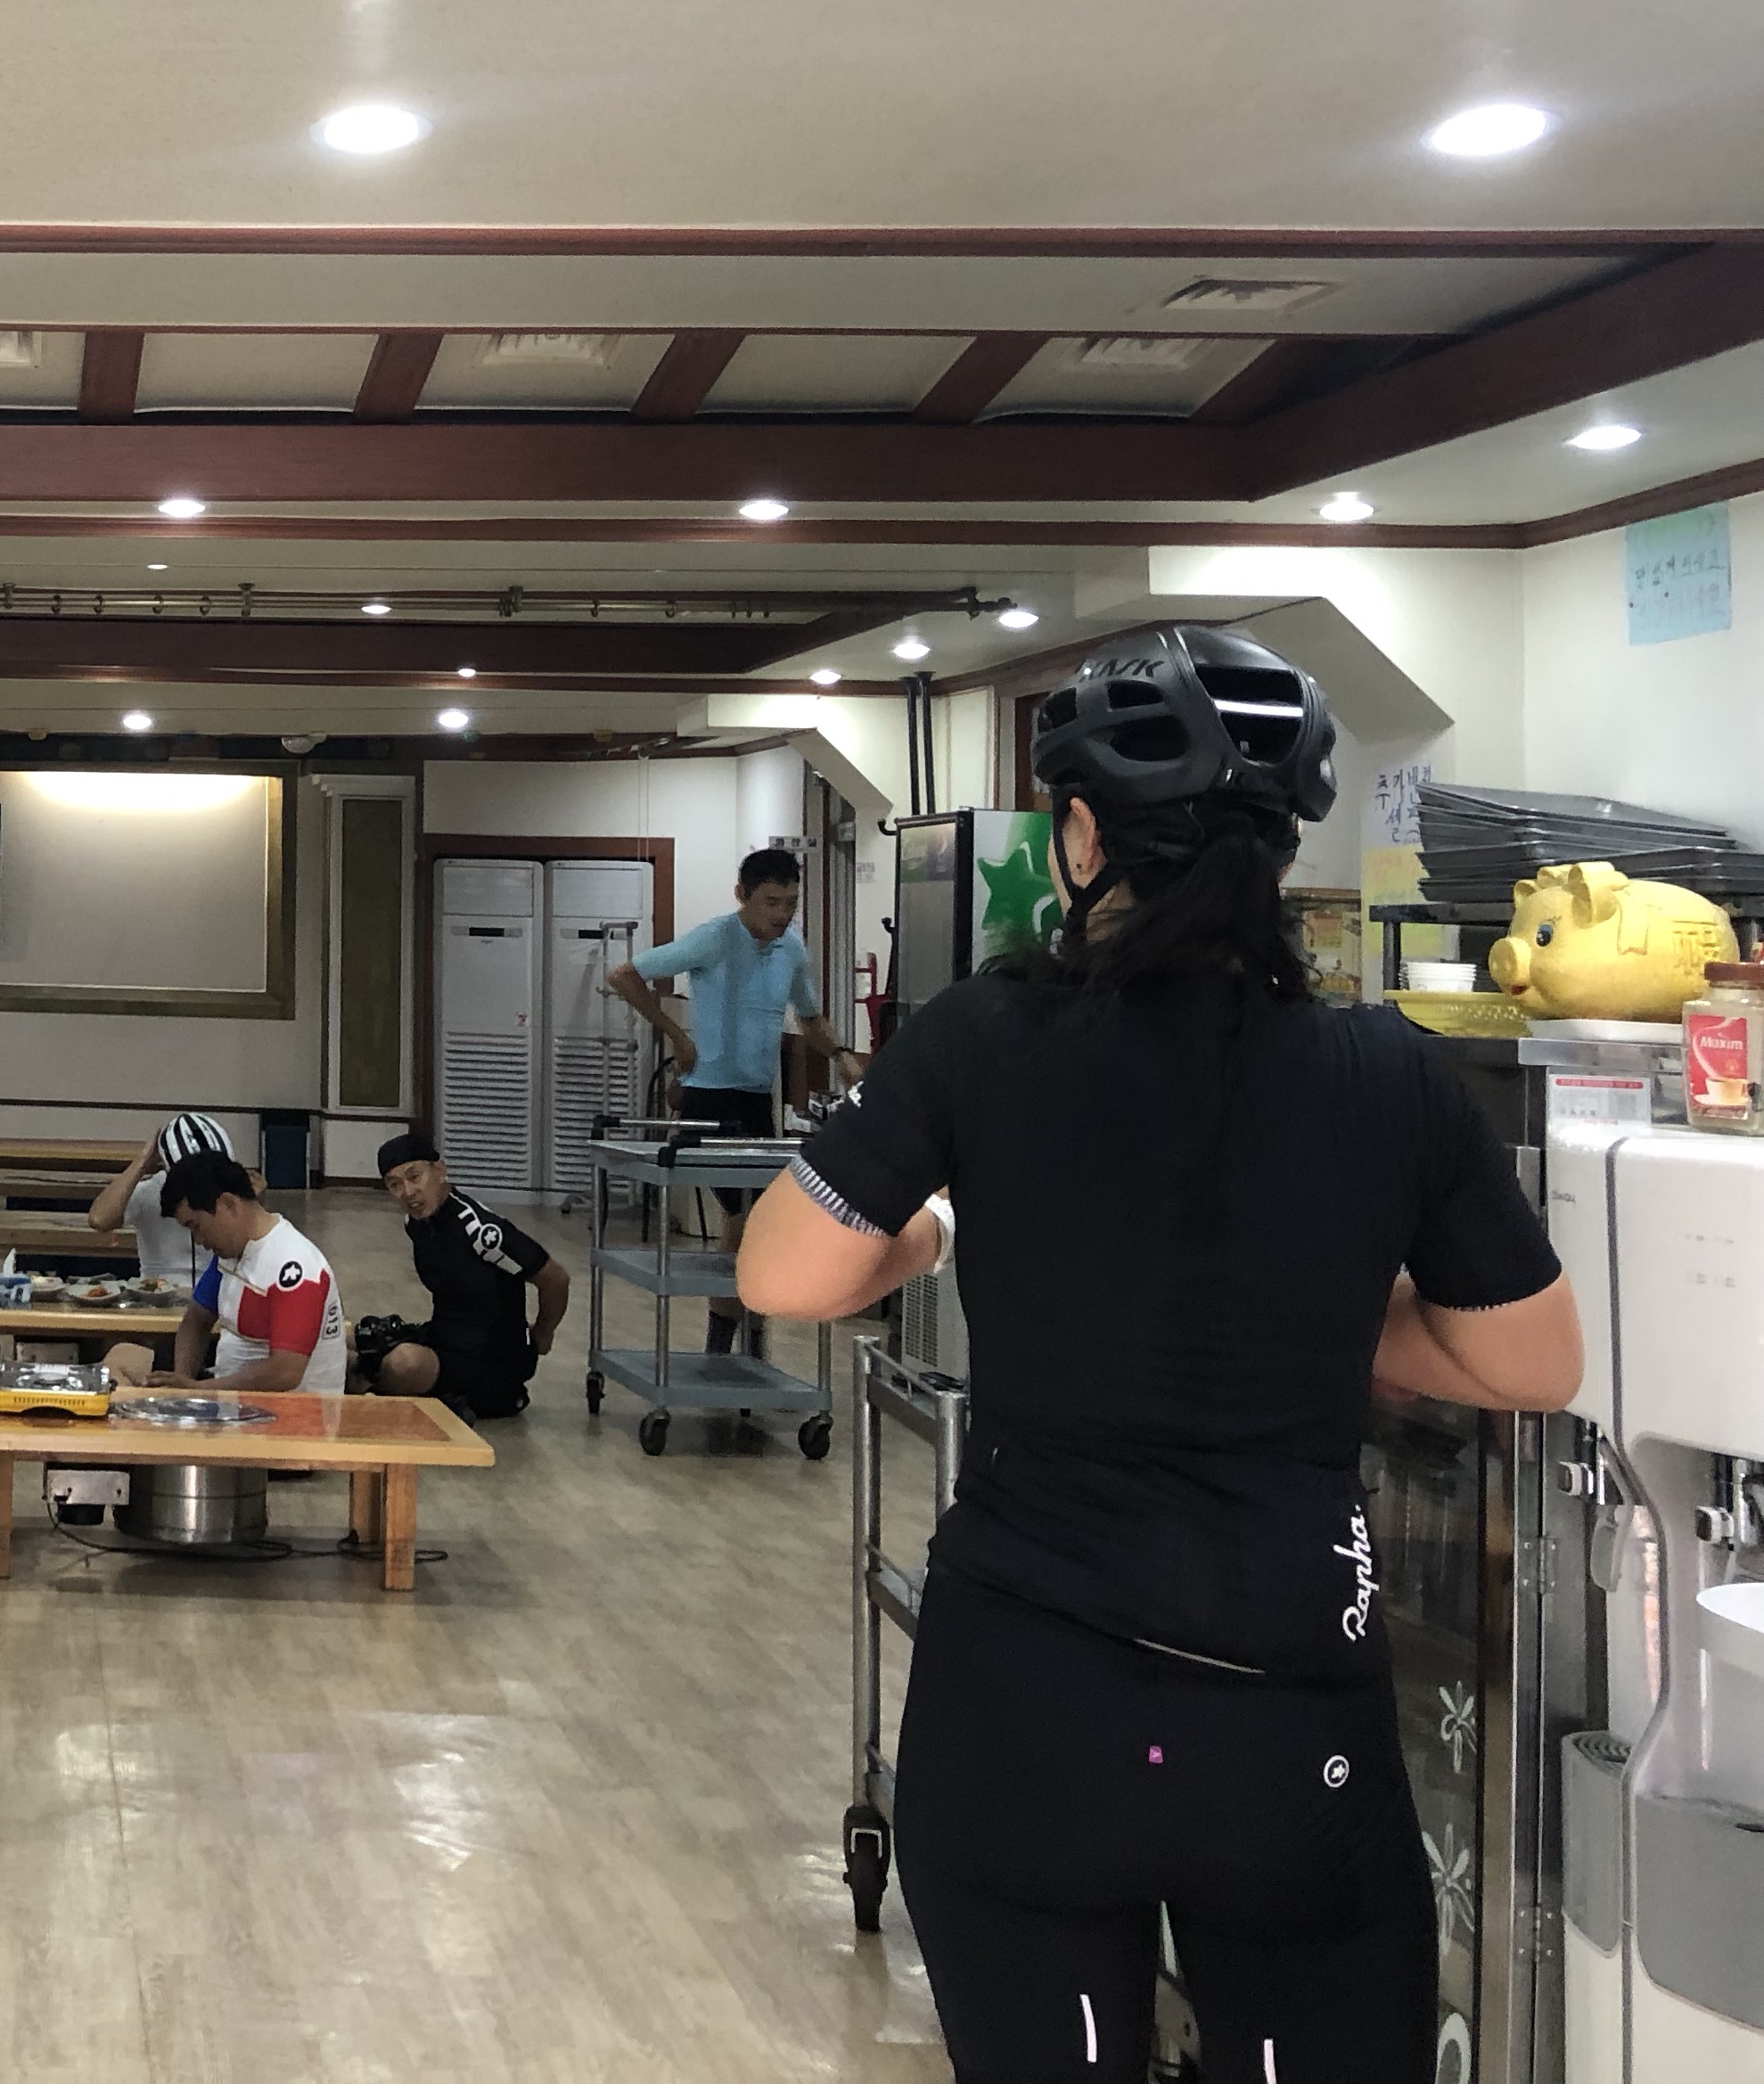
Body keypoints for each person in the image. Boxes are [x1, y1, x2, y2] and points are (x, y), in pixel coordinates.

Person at [734, 625, 1580, 2081]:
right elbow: (1532, 1363)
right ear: (1283, 846)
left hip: (1025, 1703)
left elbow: (784, 1272)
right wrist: (1327, 1323)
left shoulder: (985, 1032)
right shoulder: (1388, 1070)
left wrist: (931, 1237)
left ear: (1080, 837)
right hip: (1287, 1718)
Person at [609, 844, 861, 1357]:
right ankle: (728, 1342)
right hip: (709, 1098)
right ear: (742, 895)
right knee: (747, 1220)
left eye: (790, 903)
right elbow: (624, 975)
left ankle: (745, 1338)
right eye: (771, 903)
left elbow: (809, 1017)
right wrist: (675, 1035)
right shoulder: (715, 937)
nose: (781, 915)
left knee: (756, 1224)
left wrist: (840, 1055)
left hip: (755, 1100)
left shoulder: (792, 948)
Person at [359, 1130, 570, 1418]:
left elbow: (555, 1279)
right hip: (443, 1339)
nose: (408, 1192)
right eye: (395, 1185)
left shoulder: (481, 1232)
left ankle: (364, 1394)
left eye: (415, 1177)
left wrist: (542, 1334)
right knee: (352, 1336)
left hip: (492, 1361)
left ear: (439, 1170)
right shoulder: (417, 1223)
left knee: (403, 1364)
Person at [151, 1153, 347, 1393]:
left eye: (196, 1226)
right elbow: (195, 1320)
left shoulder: (295, 1267)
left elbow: (286, 1372)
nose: (198, 1240)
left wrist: (199, 1390)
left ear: (229, 1204)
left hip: (294, 1412)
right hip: (235, 1402)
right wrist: (183, 1387)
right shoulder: (230, 1255)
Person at [86, 1110, 234, 1282]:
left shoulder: (232, 1192)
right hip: (159, 1291)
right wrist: (143, 1161)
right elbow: (100, 1219)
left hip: (219, 1289)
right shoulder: (152, 1190)